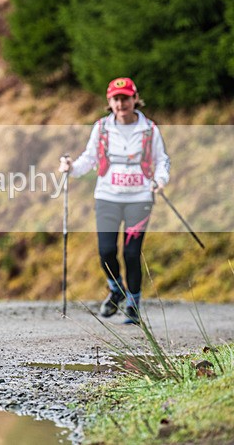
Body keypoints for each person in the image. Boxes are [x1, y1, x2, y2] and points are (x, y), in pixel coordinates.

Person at [59, 77, 170, 324]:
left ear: (134, 99)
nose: (121, 104)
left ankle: (133, 302)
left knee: (132, 253)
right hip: (107, 197)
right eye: (116, 99)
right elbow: (89, 158)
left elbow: (162, 159)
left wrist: (160, 179)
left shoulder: (150, 130)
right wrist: (70, 168)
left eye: (125, 98)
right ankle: (116, 288)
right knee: (106, 251)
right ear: (110, 102)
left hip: (139, 199)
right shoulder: (101, 128)